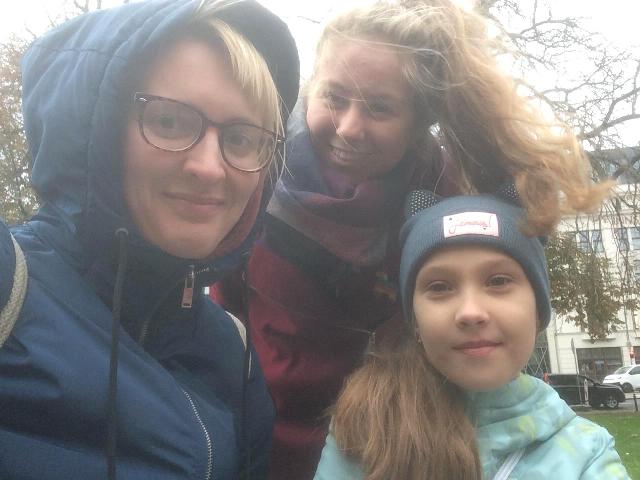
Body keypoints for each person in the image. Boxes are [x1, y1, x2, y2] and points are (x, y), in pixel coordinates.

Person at [210, 0, 610, 477]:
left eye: (380, 108)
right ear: (311, 88)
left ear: (420, 121)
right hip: (252, 436)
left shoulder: (447, 199)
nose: (349, 128)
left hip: (387, 442)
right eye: (334, 97)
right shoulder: (251, 171)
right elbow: (215, 313)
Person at [0, 0, 299, 478]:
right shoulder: (11, 291)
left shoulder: (232, 352)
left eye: (242, 138)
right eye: (169, 121)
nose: (209, 168)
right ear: (96, 130)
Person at [314, 188, 630, 480]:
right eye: (440, 286)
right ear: (415, 320)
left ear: (538, 309)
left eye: (498, 281)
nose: (470, 312)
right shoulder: (367, 426)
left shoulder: (587, 455)